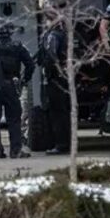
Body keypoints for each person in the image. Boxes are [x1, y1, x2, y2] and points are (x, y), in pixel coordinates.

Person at [0, 19, 35, 159]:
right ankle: (15, 150)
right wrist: (23, 80)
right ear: (10, 32)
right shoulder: (18, 47)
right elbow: (30, 65)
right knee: (14, 120)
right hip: (11, 87)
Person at [41, 19, 72, 155]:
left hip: (55, 79)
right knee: (63, 112)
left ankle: (61, 144)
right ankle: (65, 142)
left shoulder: (53, 35)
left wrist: (51, 73)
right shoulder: (63, 34)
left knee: (57, 112)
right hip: (63, 78)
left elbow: (51, 55)